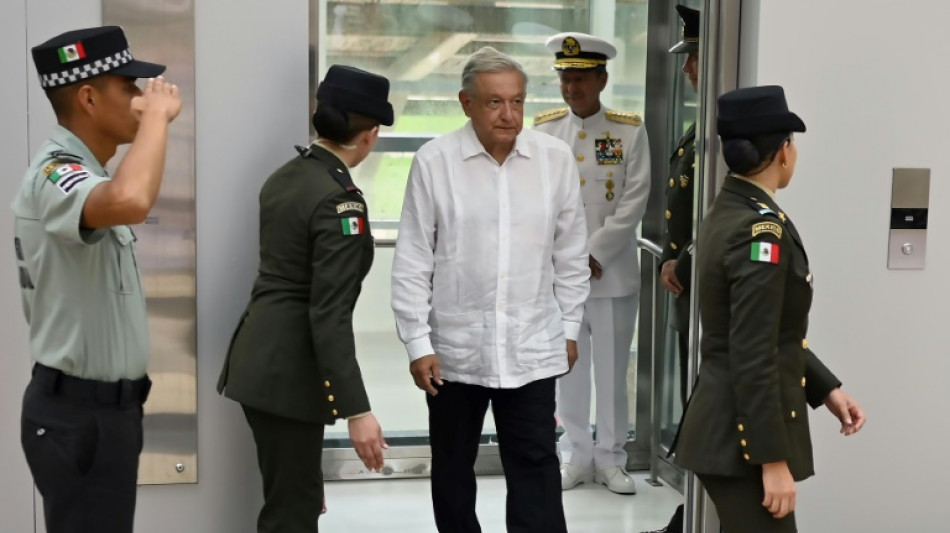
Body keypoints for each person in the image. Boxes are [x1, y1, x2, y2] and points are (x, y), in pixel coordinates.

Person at [391, 46, 589, 533]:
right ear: (466, 103)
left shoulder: (554, 159)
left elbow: (571, 255)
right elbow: (413, 259)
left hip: (533, 344)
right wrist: (417, 342)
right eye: (495, 102)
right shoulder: (434, 162)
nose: (509, 114)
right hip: (455, 351)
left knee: (536, 466)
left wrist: (568, 328)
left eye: (517, 101)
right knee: (454, 470)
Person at [671, 85, 867, 533]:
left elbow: (773, 331)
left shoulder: (733, 209)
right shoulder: (760, 231)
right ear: (783, 152)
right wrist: (771, 460)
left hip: (728, 425)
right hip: (739, 439)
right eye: (792, 143)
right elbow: (752, 350)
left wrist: (825, 389)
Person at [12, 26, 179, 533]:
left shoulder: (88, 172)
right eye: (128, 88)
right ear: (87, 97)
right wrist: (156, 121)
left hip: (103, 415)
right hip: (78, 416)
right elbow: (131, 202)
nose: (138, 98)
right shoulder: (55, 173)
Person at [216, 65, 392, 533]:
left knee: (294, 501)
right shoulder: (339, 201)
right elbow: (328, 314)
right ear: (370, 135)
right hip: (289, 374)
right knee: (290, 516)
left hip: (261, 361)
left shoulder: (286, 176)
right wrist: (358, 411)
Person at [533, 32, 651, 495]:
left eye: (580, 78)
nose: (570, 87)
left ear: (602, 79)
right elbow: (539, 201)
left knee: (611, 370)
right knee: (569, 371)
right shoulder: (544, 130)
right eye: (564, 77)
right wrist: (568, 258)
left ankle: (612, 459)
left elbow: (634, 198)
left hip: (612, 275)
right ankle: (576, 455)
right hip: (562, 278)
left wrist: (595, 253)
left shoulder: (629, 130)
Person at [645, 5, 700, 531]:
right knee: (691, 398)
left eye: (694, 58)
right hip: (689, 285)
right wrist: (669, 254)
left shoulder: (724, 133)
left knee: (703, 405)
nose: (687, 70)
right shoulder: (696, 128)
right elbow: (678, 209)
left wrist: (684, 256)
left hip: (706, 288)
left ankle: (695, 514)